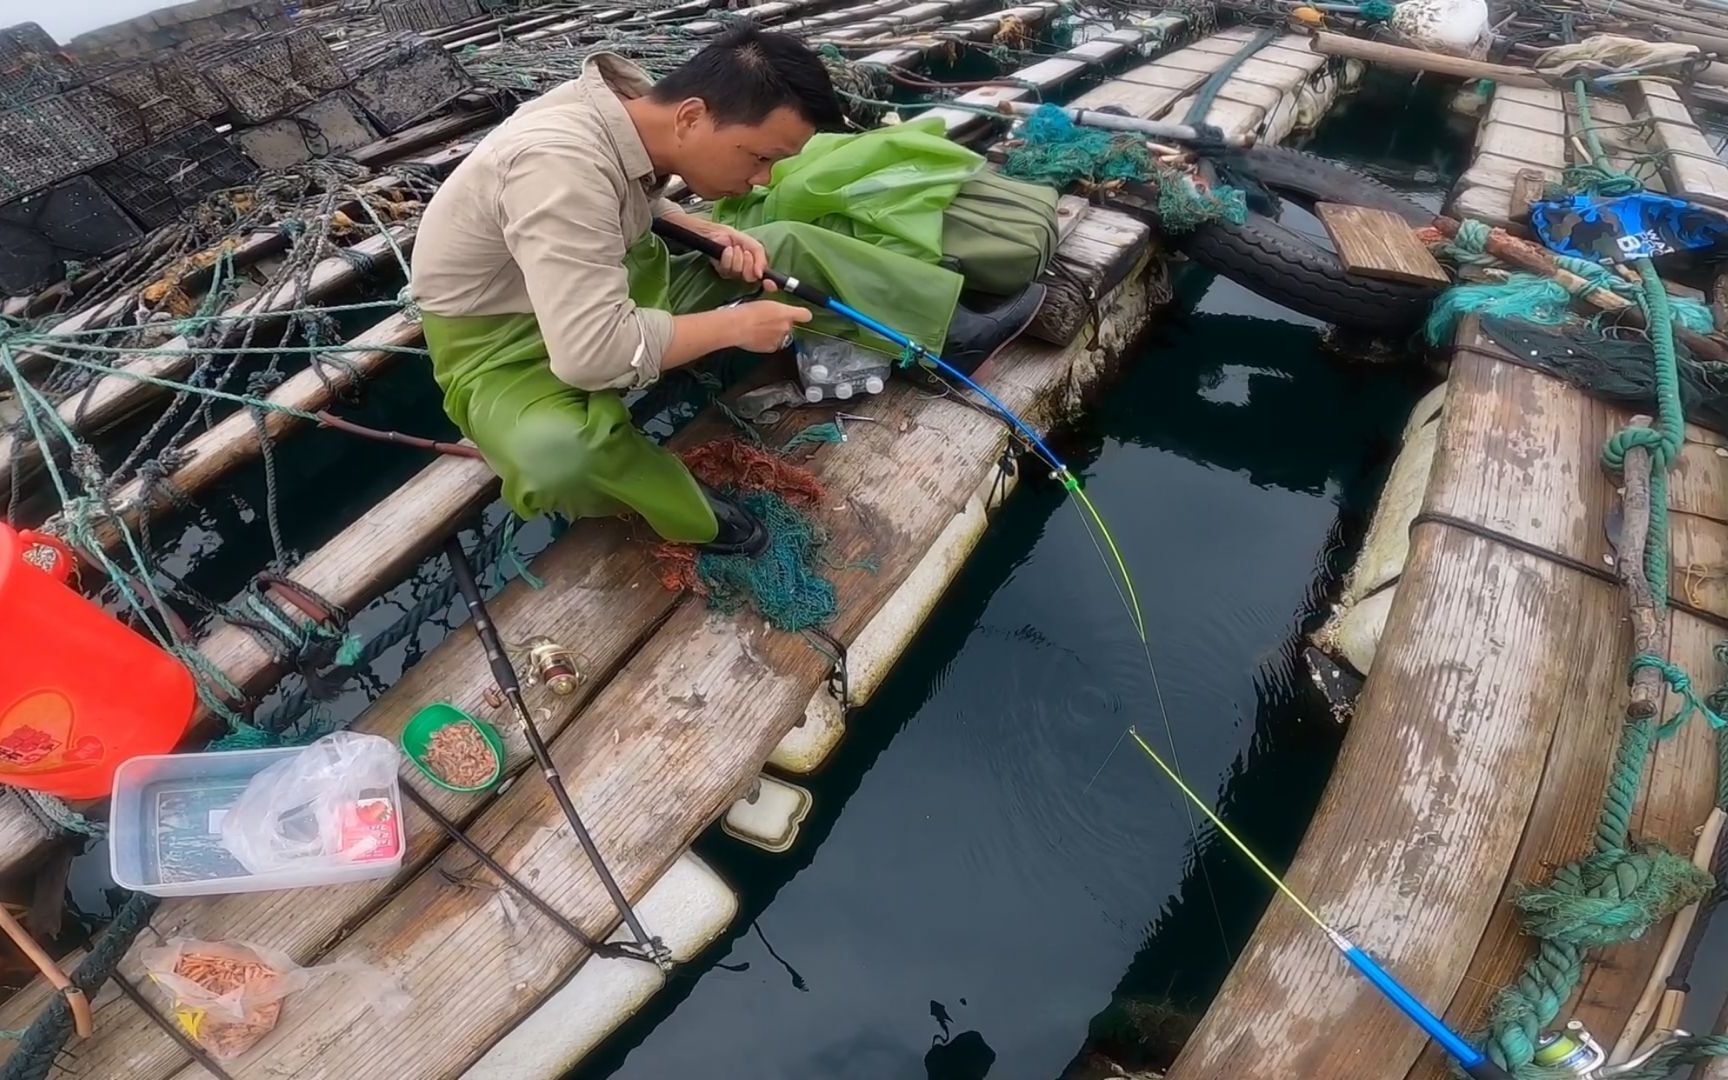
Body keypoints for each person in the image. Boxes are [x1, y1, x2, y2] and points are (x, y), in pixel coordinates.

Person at [411, 28, 1047, 556]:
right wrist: (737, 327)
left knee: (783, 245)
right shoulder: (556, 165)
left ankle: (941, 335)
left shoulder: (624, 111)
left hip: (620, 273)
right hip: (501, 345)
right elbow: (590, 354)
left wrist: (700, 227)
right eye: (759, 157)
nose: (762, 177)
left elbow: (627, 198)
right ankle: (690, 513)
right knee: (558, 456)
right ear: (693, 115)